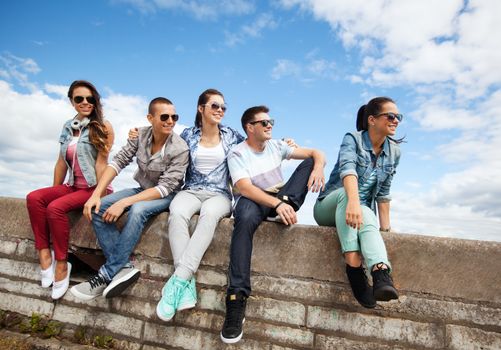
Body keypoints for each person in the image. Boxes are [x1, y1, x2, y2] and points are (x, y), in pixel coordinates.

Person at [220, 105, 326, 344]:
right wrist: (276, 205)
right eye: (264, 123)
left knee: (308, 162)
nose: (270, 126)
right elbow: (245, 188)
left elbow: (317, 152)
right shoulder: (237, 153)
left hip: (280, 198)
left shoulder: (277, 145)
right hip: (254, 199)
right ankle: (236, 298)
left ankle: (285, 205)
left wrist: (319, 167)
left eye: (271, 123)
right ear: (250, 127)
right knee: (244, 219)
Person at [70, 97, 189, 301]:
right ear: (150, 118)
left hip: (166, 195)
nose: (171, 121)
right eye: (165, 116)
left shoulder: (180, 148)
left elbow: (165, 187)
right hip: (141, 188)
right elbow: (118, 162)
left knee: (138, 210)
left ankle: (106, 274)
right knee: (99, 209)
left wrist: (124, 202)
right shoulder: (140, 135)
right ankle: (123, 267)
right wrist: (96, 194)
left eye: (174, 116)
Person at [154, 89, 244, 321]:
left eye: (223, 107)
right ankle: (186, 285)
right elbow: (161, 140)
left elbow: (256, 145)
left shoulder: (232, 135)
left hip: (220, 194)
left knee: (209, 216)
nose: (220, 110)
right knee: (177, 213)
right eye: (215, 106)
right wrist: (138, 134)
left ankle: (178, 279)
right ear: (201, 108)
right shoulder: (187, 134)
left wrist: (284, 144)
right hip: (191, 189)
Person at [26, 80, 113, 300]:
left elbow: (103, 163)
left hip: (94, 188)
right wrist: (54, 191)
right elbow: (61, 162)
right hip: (73, 186)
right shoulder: (68, 126)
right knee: (35, 198)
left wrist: (97, 194)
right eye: (79, 99)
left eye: (90, 99)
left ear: (96, 101)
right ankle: (45, 254)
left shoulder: (102, 126)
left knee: (55, 209)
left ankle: (62, 264)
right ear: (72, 101)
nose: (85, 103)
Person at [314, 96, 402, 309]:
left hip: (360, 213)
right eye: (390, 116)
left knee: (366, 213)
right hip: (330, 205)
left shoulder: (394, 152)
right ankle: (353, 266)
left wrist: (386, 228)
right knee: (349, 195)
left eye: (399, 117)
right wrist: (353, 201)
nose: (396, 120)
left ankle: (381, 274)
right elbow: (348, 169)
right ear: (372, 119)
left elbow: (383, 193)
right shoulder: (352, 139)